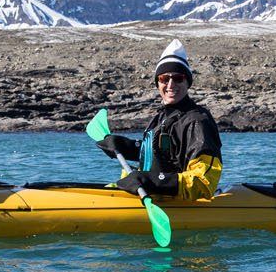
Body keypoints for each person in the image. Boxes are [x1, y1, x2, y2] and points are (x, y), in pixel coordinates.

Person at [96, 39, 223, 200]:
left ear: (187, 82)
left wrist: (153, 181)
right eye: (164, 78)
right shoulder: (161, 117)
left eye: (178, 78)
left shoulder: (197, 121)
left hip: (174, 201)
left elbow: (203, 182)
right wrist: (129, 147)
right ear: (157, 83)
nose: (170, 85)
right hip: (147, 194)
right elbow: (166, 154)